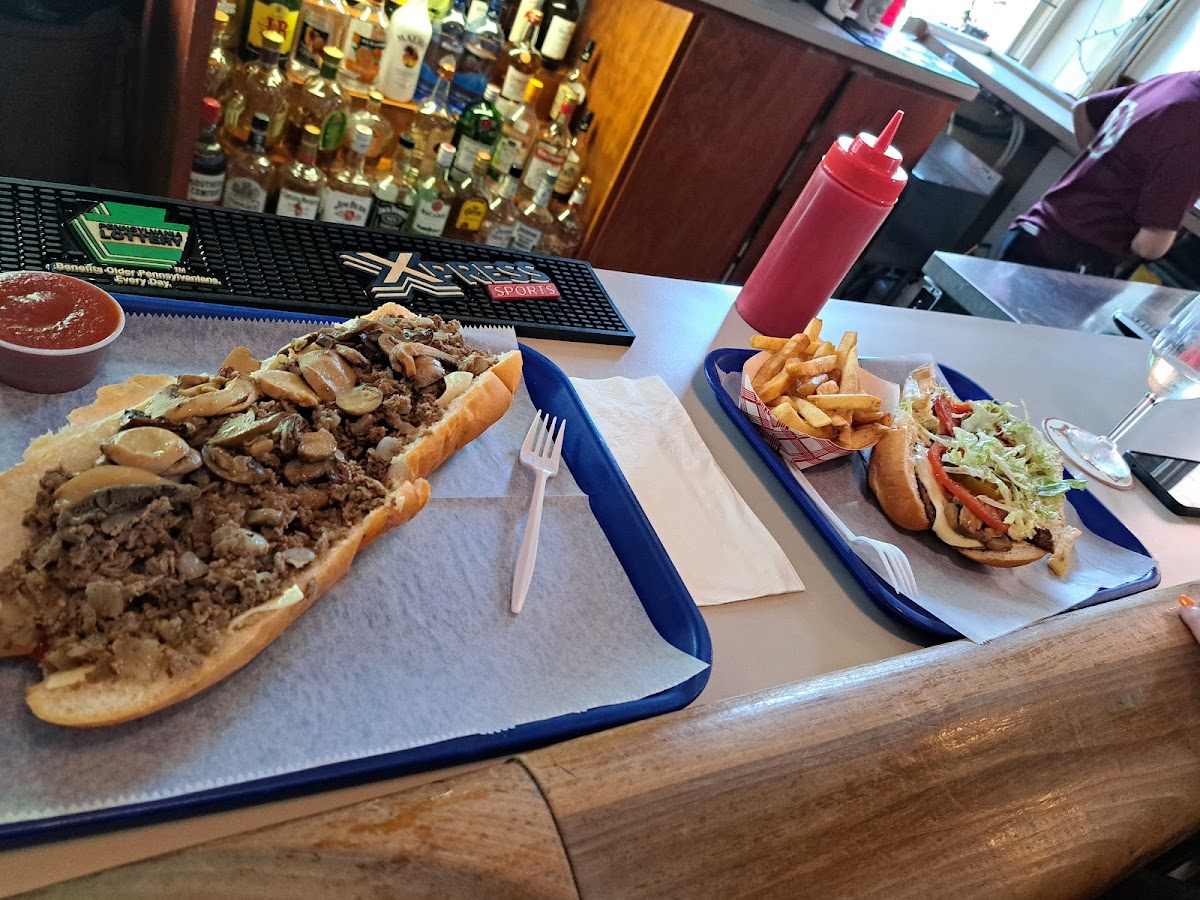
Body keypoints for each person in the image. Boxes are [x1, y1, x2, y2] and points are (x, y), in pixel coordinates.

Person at [999, 71, 1200, 277]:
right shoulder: (1193, 135)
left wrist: (1104, 166)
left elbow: (1083, 109)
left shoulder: (1179, 81)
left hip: (1033, 231)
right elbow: (1148, 246)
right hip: (1067, 258)